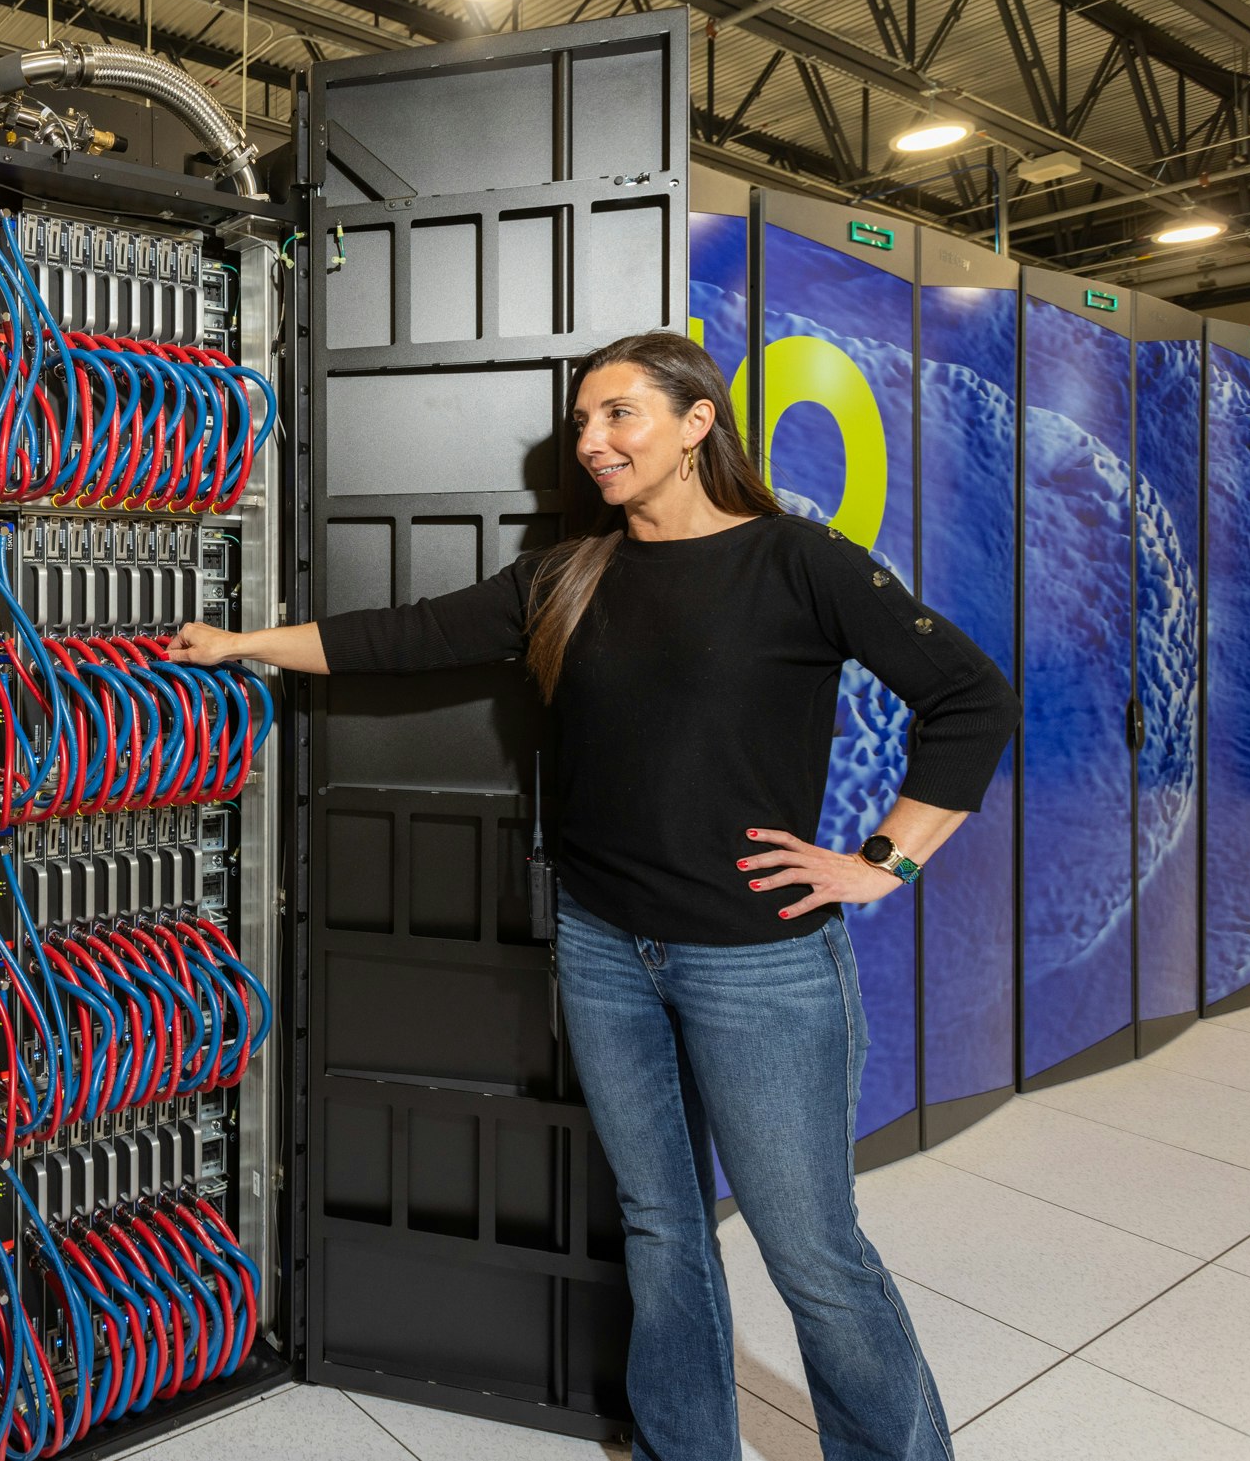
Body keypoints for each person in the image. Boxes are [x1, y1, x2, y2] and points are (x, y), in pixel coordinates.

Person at [170, 331, 1016, 1461]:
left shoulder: (797, 560)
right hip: (606, 947)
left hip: (757, 960)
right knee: (661, 1228)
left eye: (620, 415)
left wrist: (882, 859)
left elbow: (971, 696)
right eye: (582, 423)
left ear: (697, 422)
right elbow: (408, 634)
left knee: (811, 1250)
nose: (593, 442)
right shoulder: (570, 574)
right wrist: (242, 643)